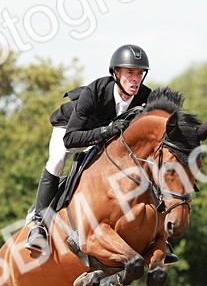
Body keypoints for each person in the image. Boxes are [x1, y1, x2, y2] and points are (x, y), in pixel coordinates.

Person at [26, 44, 178, 261]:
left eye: (139, 74)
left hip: (105, 138)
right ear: (116, 73)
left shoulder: (146, 98)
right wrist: (105, 131)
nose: (135, 79)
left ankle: (156, 233)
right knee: (58, 159)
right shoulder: (95, 91)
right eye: (129, 73)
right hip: (71, 128)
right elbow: (71, 138)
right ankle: (37, 222)